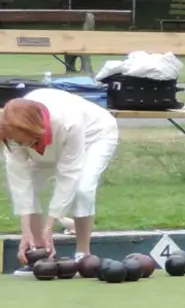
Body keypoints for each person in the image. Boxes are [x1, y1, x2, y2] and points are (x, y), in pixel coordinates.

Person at [3, 90, 119, 268]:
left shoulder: (68, 121)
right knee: (31, 186)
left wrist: (49, 226)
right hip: (44, 139)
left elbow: (68, 175)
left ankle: (83, 254)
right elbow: (20, 183)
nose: (20, 145)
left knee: (82, 188)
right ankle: (39, 251)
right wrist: (25, 233)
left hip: (94, 136)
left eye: (22, 141)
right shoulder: (10, 131)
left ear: (33, 129)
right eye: (17, 142)